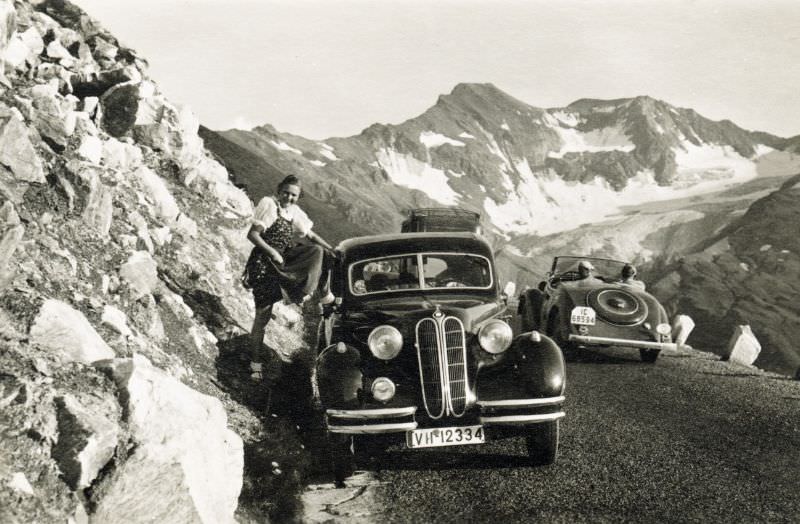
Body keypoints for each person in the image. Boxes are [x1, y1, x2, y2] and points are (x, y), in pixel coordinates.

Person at [242, 175, 334, 377]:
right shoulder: (269, 205)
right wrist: (272, 252)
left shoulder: (293, 212)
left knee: (318, 252)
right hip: (264, 264)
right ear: (279, 189)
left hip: (282, 261)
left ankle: (316, 293)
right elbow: (253, 234)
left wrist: (332, 249)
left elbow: (310, 235)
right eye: (286, 192)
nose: (289, 197)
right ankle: (255, 365)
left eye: (294, 195)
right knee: (262, 317)